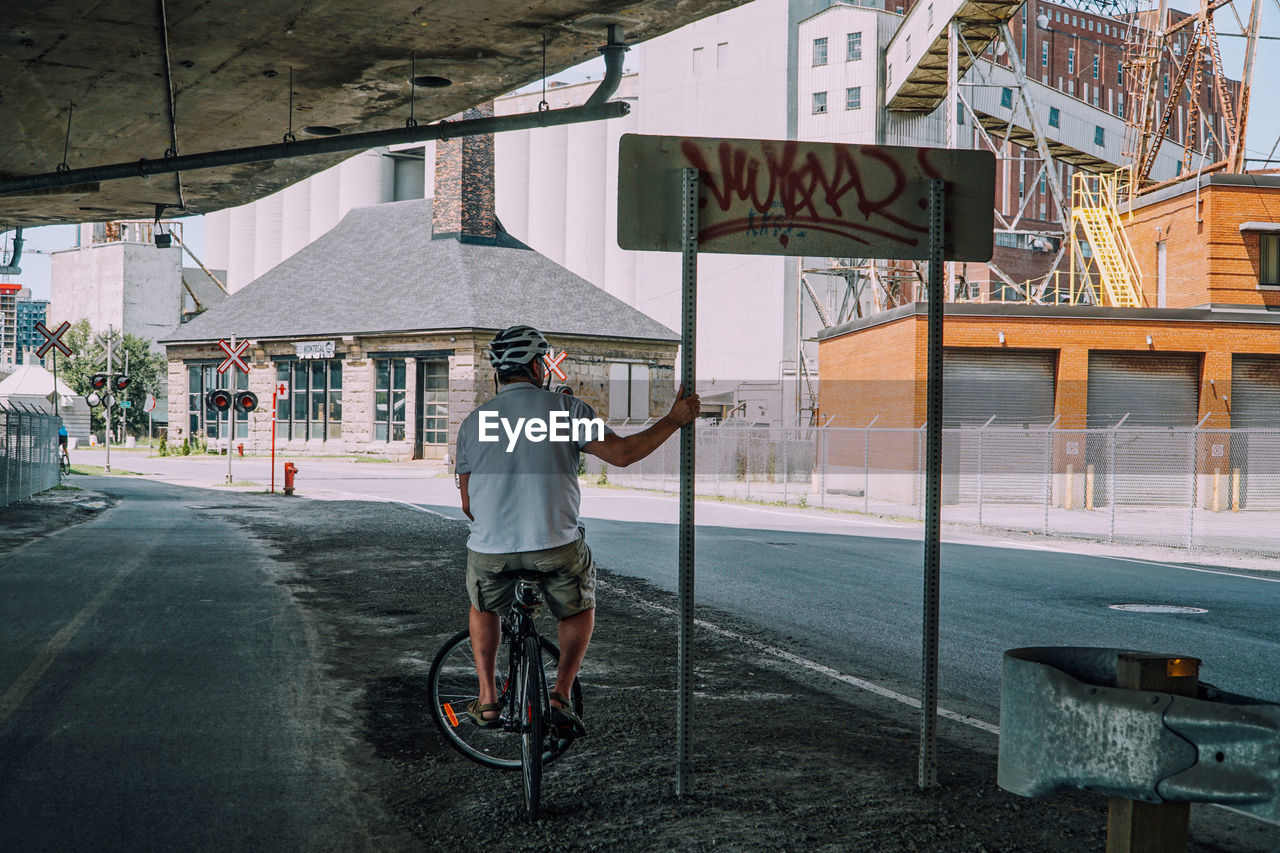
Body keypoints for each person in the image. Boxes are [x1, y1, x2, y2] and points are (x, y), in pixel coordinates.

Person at [454, 325, 699, 735]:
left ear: (499, 372)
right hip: (556, 546)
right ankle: (560, 694)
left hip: (492, 550)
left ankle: (487, 699)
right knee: (578, 606)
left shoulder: (472, 423)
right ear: (536, 366)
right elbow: (622, 454)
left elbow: (467, 503)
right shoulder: (567, 411)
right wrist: (674, 419)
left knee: (483, 605)